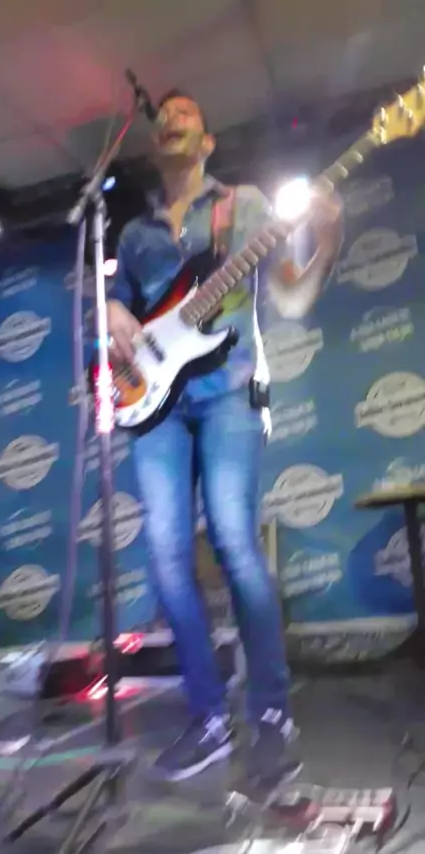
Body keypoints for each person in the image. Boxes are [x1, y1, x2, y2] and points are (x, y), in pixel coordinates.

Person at [107, 90, 342, 785]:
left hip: (229, 394)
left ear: (207, 141)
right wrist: (113, 312)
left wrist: (326, 236)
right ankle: (208, 718)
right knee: (166, 558)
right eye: (163, 117)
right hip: (155, 403)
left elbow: (292, 297)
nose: (170, 119)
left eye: (185, 112)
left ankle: (271, 714)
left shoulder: (244, 207)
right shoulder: (135, 234)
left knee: (236, 543)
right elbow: (124, 313)